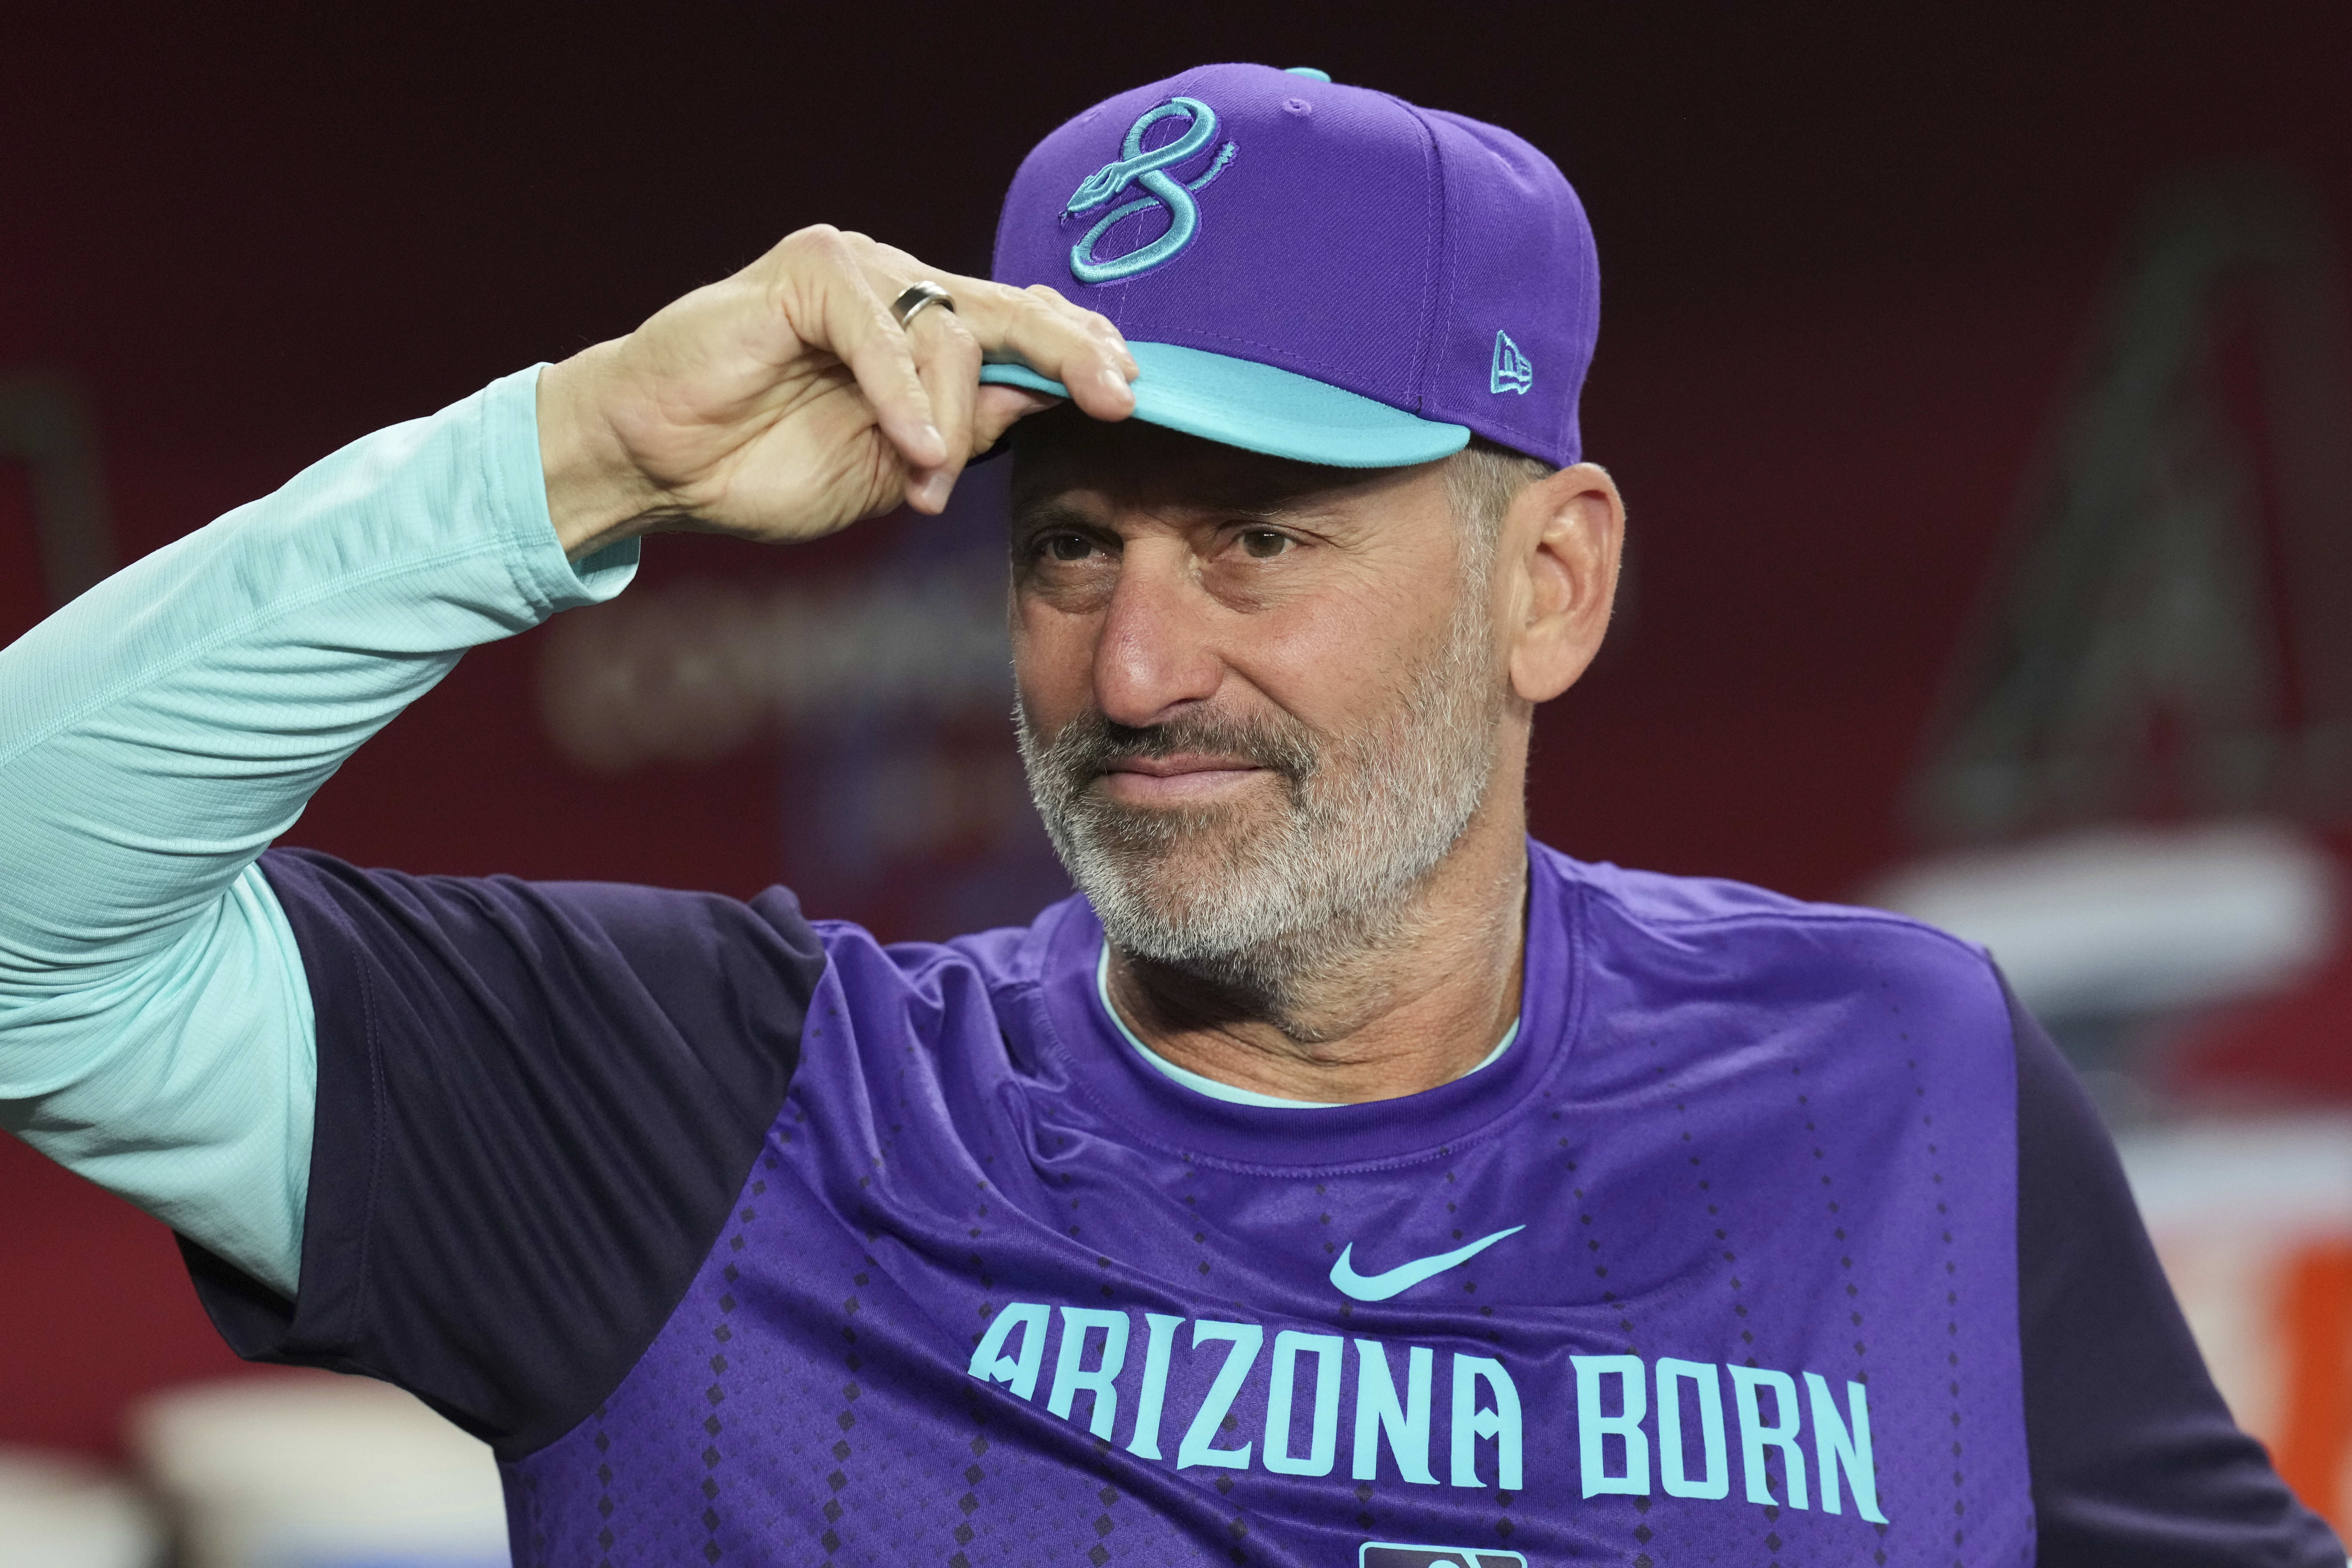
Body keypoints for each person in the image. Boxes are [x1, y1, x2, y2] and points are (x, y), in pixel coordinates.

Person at [0, 62, 2338, 1568]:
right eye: (1068, 543)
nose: (1133, 668)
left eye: (1257, 538)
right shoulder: (724, 1115)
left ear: (1552, 582)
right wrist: (578, 457)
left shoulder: (1898, 1081)